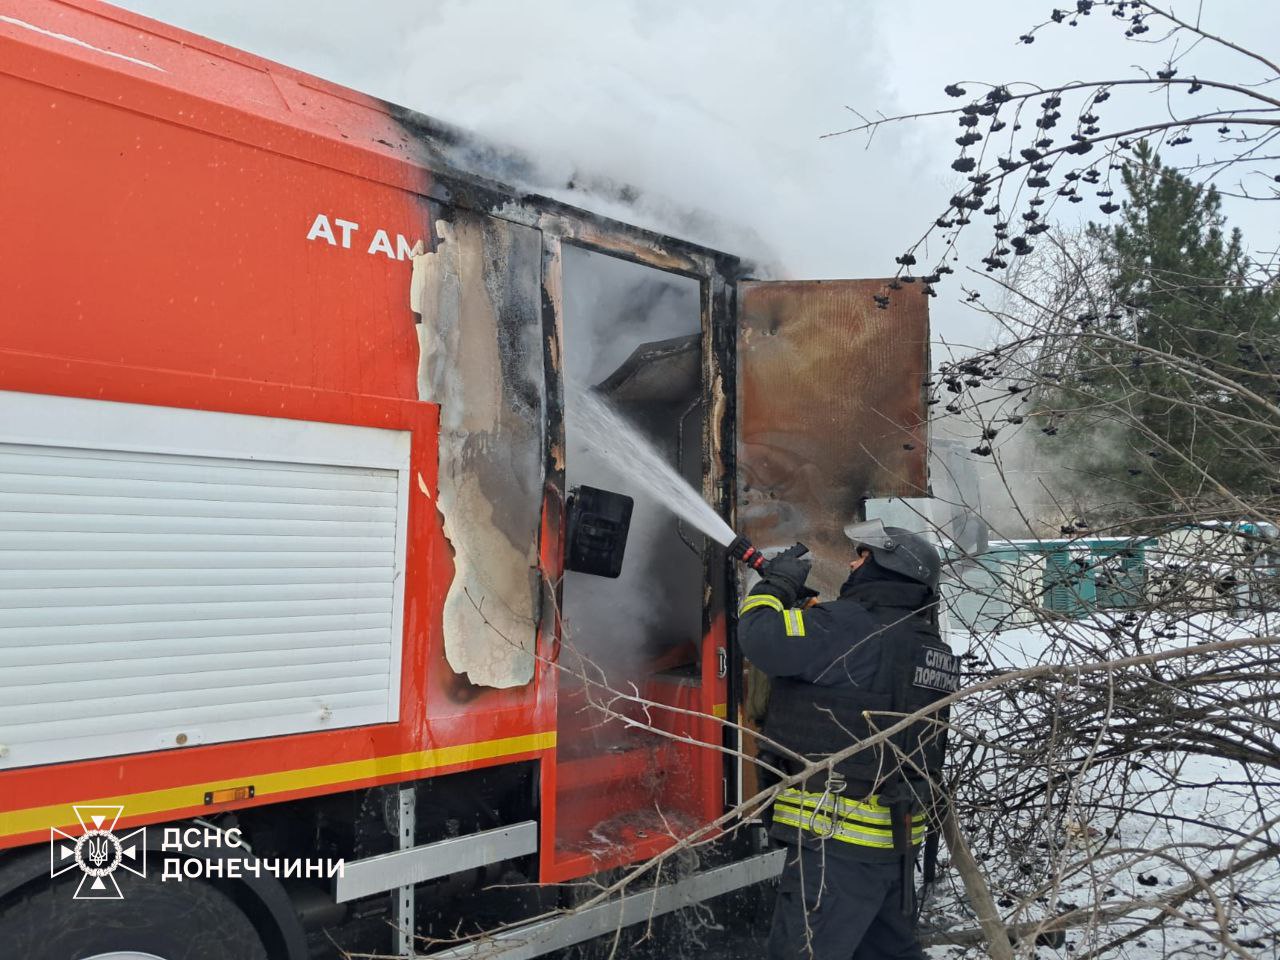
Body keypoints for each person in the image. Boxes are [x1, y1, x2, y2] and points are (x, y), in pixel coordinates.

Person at [738, 521, 960, 960]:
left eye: (863, 556)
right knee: (885, 952)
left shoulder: (848, 627)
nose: (854, 563)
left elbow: (760, 638)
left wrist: (777, 585)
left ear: (888, 570)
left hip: (836, 840)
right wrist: (815, 620)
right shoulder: (930, 646)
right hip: (892, 840)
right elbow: (856, 676)